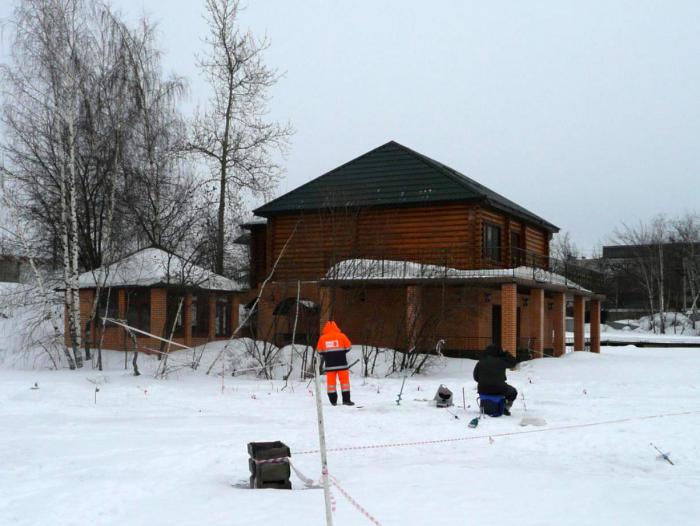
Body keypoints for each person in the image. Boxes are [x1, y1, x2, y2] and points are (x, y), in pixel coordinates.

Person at [316, 321, 354, 406]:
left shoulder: (323, 338)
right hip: (342, 364)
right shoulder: (342, 336)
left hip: (330, 366)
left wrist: (327, 354)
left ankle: (333, 401)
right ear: (336, 327)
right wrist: (341, 352)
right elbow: (349, 347)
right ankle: (346, 400)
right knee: (345, 383)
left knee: (331, 384)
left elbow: (319, 351)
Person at [473, 344, 518, 415]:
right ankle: (505, 408)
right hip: (499, 389)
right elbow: (513, 363)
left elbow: (475, 377)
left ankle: (489, 406)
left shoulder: (480, 362)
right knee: (513, 392)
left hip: (483, 389)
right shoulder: (501, 361)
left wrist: (484, 381)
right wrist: (505, 353)